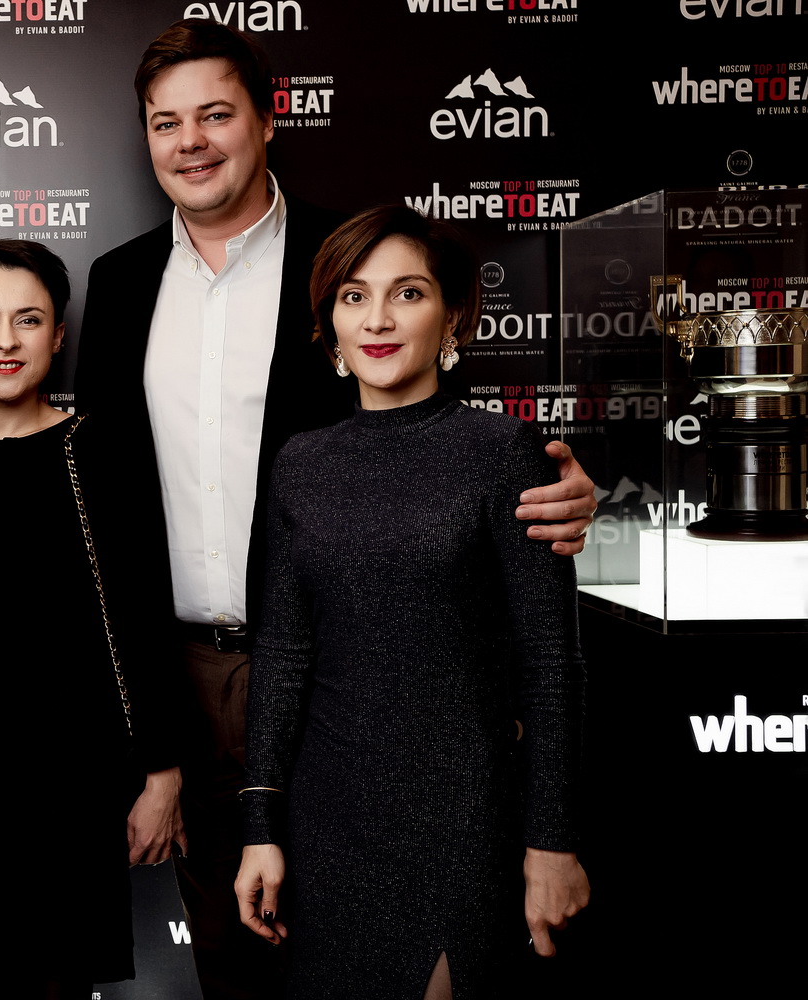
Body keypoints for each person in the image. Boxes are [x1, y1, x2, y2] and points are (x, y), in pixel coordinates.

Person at [74, 20, 598, 999]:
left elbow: (430, 448)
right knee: (231, 954)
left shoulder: (348, 257)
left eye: (215, 114)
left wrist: (563, 489)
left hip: (354, 680)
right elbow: (102, 506)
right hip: (183, 672)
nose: (190, 142)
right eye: (165, 122)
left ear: (269, 119)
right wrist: (150, 737)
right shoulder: (118, 282)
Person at [233, 206, 590, 999]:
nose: (379, 319)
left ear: (453, 314)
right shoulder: (301, 464)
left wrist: (552, 841)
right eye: (354, 296)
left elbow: (550, 664)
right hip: (329, 819)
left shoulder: (502, 452)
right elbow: (284, 655)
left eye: (408, 293)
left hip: (462, 815)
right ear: (329, 322)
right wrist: (260, 827)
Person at [0, 235, 186, 1000]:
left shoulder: (101, 451)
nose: (5, 340)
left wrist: (162, 774)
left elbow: (145, 615)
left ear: (58, 337)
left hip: (78, 784)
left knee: (61, 981)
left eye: (27, 320)